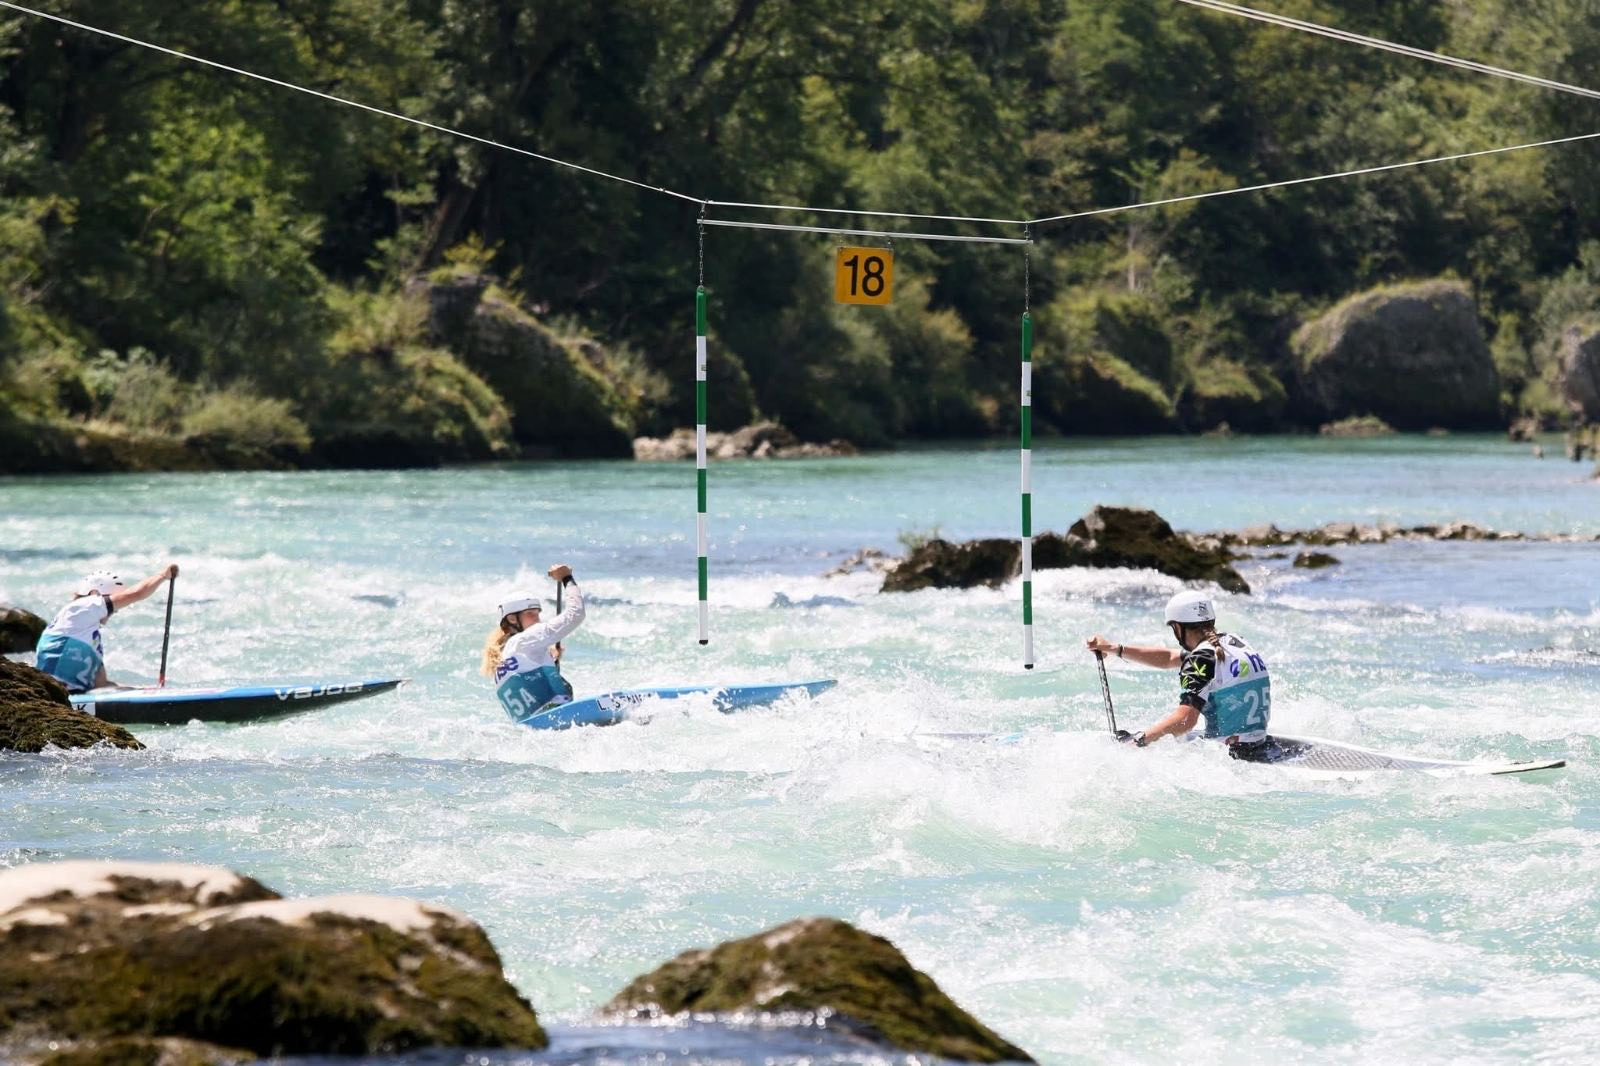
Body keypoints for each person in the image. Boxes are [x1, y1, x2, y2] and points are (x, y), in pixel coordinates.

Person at [1085, 589, 1273, 759]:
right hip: (1258, 744)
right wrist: (1114, 649)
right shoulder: (1233, 642)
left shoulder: (1201, 658)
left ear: (1178, 627)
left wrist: (1139, 740)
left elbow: (1185, 721)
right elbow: (1169, 657)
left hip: (1228, 757)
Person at [35, 564, 179, 693]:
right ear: (95, 594)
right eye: (113, 600)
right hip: (51, 694)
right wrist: (162, 576)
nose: (115, 611)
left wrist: (143, 690)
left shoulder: (89, 638)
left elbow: (101, 685)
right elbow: (136, 594)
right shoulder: (82, 607)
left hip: (71, 696)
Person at [482, 563, 586, 719]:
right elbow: (576, 613)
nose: (537, 620)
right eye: (531, 614)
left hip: (534, 729)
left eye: (538, 613)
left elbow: (533, 687)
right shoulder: (523, 640)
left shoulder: (504, 656)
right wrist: (566, 578)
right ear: (512, 618)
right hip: (557, 719)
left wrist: (550, 662)